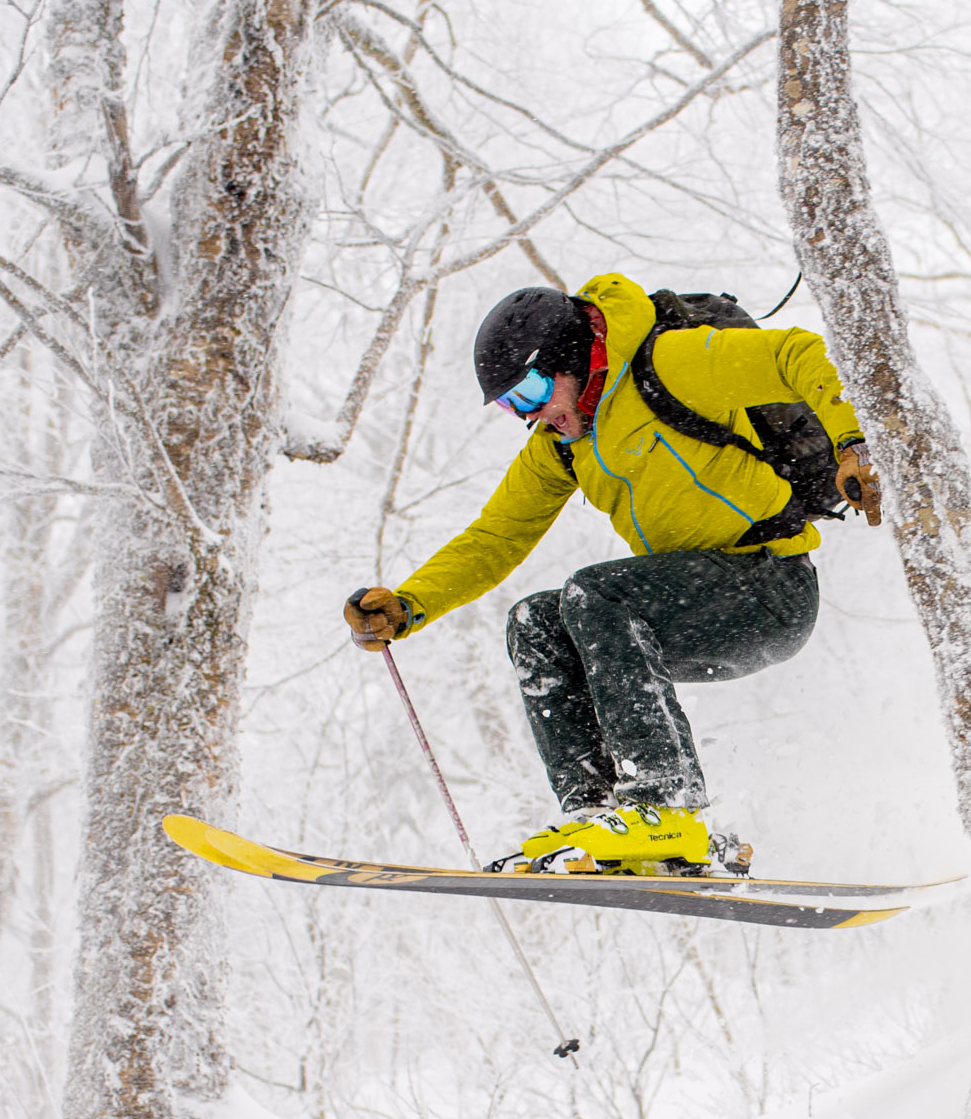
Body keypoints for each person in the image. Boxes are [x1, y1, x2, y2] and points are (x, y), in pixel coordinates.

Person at [344, 273, 882, 874]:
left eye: (531, 391)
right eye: (510, 406)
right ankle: (604, 815)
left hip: (768, 588)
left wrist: (854, 442)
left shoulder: (670, 366)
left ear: (573, 358)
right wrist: (409, 605)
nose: (531, 416)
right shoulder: (566, 445)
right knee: (537, 622)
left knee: (593, 594)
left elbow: (797, 354)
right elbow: (497, 536)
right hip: (685, 611)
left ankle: (665, 807)